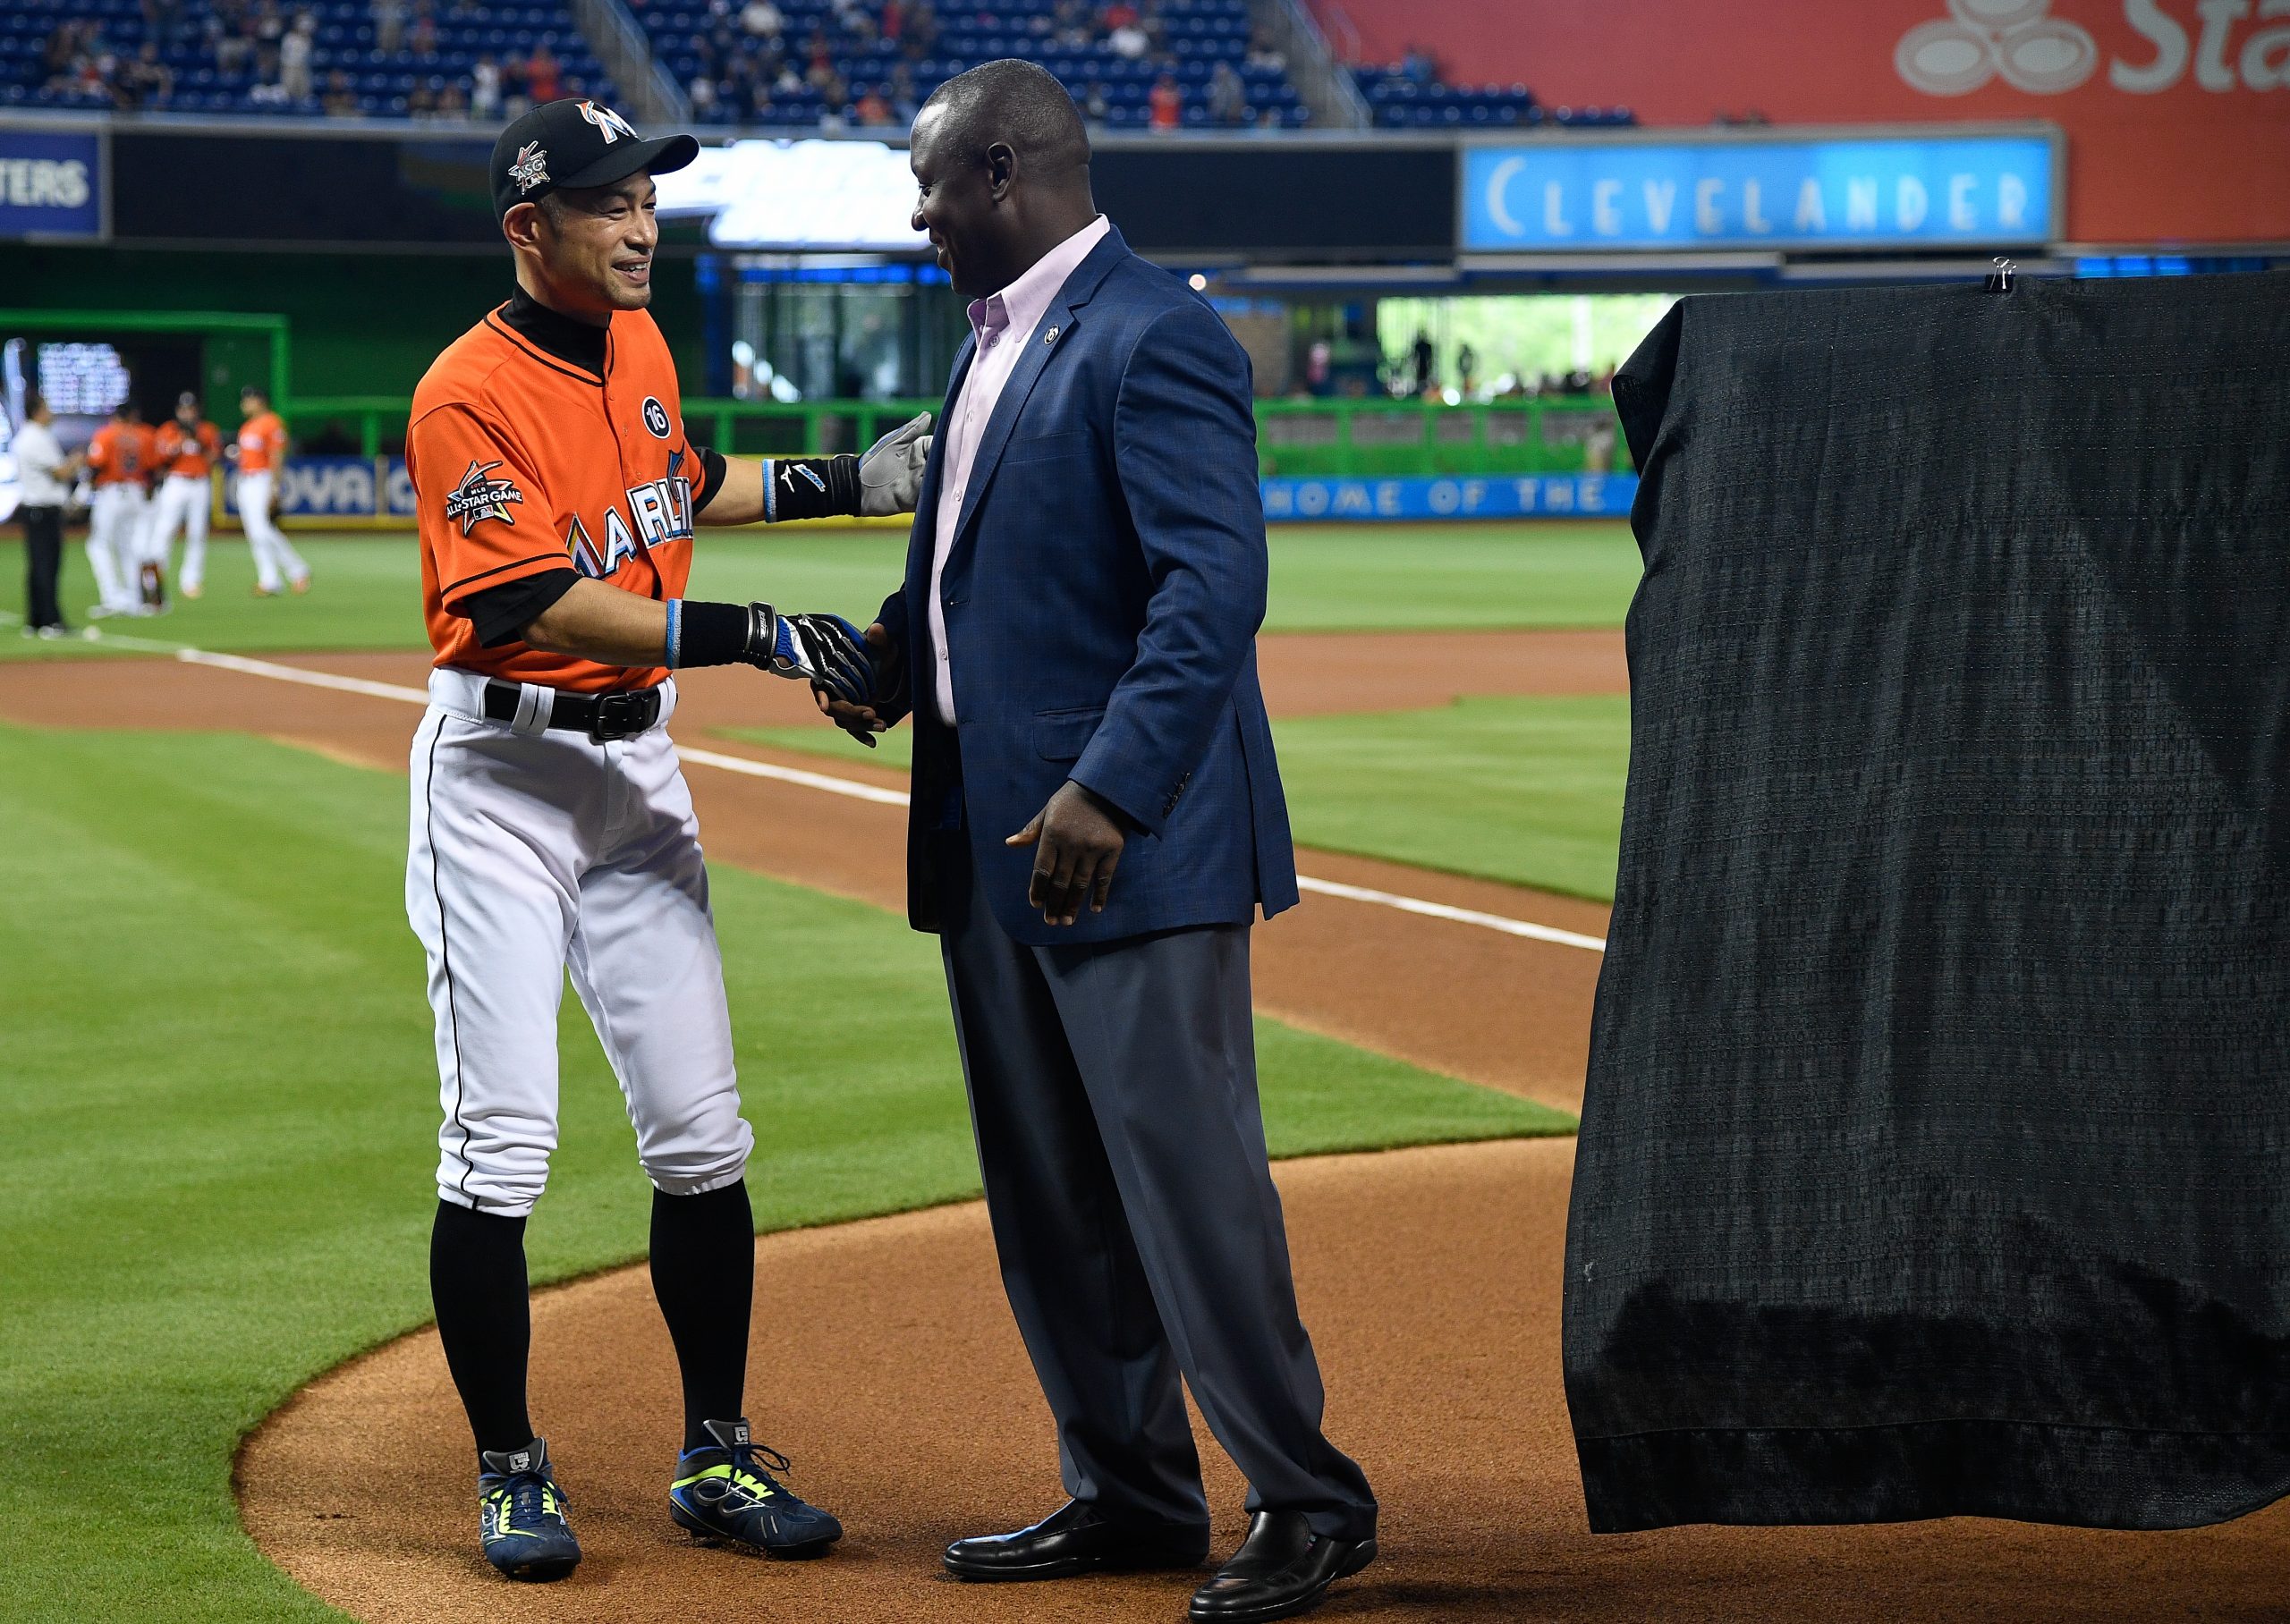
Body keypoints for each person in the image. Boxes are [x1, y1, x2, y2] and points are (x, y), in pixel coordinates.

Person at [819, 59, 1377, 1624]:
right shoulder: (988, 343)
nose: (918, 219)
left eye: (930, 187)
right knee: (1052, 1194)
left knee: (1188, 1187)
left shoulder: (1158, 333)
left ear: (1002, 171)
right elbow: (990, 568)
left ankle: (1311, 1500)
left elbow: (1211, 592)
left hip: (1126, 848)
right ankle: (1130, 1490)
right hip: (989, 842)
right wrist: (892, 652)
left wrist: (1114, 792)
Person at [403, 96, 929, 1584]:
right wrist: (757, 632)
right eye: (606, 201)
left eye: (646, 195)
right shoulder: (465, 393)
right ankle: (510, 1463)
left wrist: (849, 484)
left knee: (702, 1138)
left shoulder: (636, 343)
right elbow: (534, 602)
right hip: (502, 780)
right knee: (500, 1142)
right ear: (529, 230)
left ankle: (714, 1448)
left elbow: (679, 488)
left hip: (639, 780)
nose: (640, 222)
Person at [231, 385, 310, 596]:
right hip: (246, 480)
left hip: (263, 479)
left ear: (260, 401)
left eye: (248, 399)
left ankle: (297, 569)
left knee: (262, 530)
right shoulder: (247, 427)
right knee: (255, 533)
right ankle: (269, 580)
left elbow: (276, 456)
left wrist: (275, 487)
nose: (244, 404)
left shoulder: (272, 423)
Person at [13, 392, 76, 639]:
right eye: (47, 408)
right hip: (43, 510)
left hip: (34, 510)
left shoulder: (28, 436)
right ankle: (50, 621)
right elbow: (60, 473)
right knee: (46, 566)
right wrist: (77, 462)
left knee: (38, 565)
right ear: (37, 412)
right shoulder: (36, 437)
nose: (51, 413)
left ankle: (36, 620)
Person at [81, 400, 151, 619]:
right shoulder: (143, 435)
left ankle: (112, 597)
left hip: (112, 493)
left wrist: (82, 494)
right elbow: (153, 467)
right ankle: (135, 600)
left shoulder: (107, 434)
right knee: (128, 548)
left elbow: (95, 465)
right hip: (136, 493)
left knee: (98, 545)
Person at [148, 393, 221, 599]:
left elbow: (214, 459)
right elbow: (161, 458)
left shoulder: (207, 430)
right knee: (164, 530)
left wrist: (200, 441)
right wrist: (181, 440)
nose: (187, 413)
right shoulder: (169, 430)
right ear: (178, 411)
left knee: (197, 533)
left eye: (191, 409)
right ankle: (155, 576)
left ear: (197, 410)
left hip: (199, 483)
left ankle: (191, 580)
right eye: (184, 409)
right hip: (176, 483)